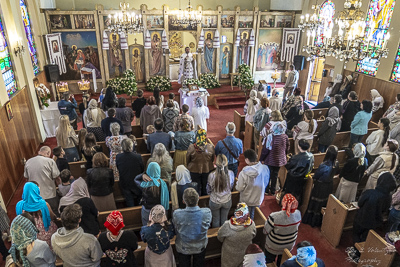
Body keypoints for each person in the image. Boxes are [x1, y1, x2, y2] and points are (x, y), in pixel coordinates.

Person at [348, 173, 397, 263]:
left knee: (356, 234)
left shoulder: (370, 192)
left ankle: (356, 252)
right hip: (375, 221)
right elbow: (385, 210)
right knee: (365, 238)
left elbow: (359, 204)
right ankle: (360, 254)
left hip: (361, 219)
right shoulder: (388, 197)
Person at [172, 188, 211, 267]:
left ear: (184, 201)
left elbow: (176, 228)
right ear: (198, 199)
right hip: (200, 245)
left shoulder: (177, 214)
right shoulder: (207, 212)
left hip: (184, 246)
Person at [303, 145, 338, 227]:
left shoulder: (324, 165)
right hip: (329, 185)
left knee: (315, 203)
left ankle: (311, 220)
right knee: (322, 203)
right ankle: (318, 221)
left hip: (320, 186)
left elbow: (317, 175)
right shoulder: (336, 163)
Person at [16, 182, 58, 249]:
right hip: (45, 235)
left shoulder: (19, 205)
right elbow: (52, 217)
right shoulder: (43, 204)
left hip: (29, 237)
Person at [264, 194, 301, 265]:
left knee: (269, 261)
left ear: (282, 202)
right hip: (289, 245)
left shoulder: (274, 216)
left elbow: (265, 230)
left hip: (274, 245)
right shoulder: (298, 214)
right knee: (282, 262)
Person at [23, 146, 60, 217]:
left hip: (35, 196)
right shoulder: (50, 161)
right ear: (48, 153)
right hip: (49, 194)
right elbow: (57, 177)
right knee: (54, 213)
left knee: (40, 216)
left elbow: (26, 179)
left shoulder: (28, 161)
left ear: (39, 152)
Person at [217, 203, 256, 267]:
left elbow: (220, 237)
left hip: (229, 253)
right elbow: (254, 235)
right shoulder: (252, 225)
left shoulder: (227, 225)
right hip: (244, 252)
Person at [236, 149, 270, 219]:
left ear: (247, 159)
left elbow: (239, 188)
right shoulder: (265, 168)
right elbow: (266, 183)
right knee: (254, 217)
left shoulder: (243, 173)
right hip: (258, 197)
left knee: (243, 218)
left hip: (246, 199)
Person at [260, 122, 289, 195]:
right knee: (275, 175)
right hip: (279, 160)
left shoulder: (270, 137)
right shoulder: (285, 136)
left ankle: (266, 190)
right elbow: (287, 147)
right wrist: (284, 155)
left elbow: (265, 150)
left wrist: (261, 159)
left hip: (270, 159)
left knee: (268, 175)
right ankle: (273, 191)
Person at [207, 154, 235, 228]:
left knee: (215, 220)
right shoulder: (231, 173)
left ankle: (216, 237)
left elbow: (208, 189)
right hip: (227, 200)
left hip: (215, 200)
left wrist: (211, 193)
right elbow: (231, 186)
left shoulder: (211, 175)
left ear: (216, 163)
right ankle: (223, 237)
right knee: (224, 220)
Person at [283, 140, 314, 205]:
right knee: (298, 193)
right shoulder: (311, 156)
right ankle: (296, 204)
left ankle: (287, 205)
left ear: (299, 146)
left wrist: (289, 160)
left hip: (293, 177)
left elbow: (288, 166)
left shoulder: (295, 157)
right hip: (302, 178)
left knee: (289, 192)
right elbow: (311, 167)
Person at [186, 128, 215, 196]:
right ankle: (204, 201)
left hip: (194, 169)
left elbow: (187, 159)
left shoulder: (191, 147)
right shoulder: (210, 147)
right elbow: (212, 159)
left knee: (196, 188)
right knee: (205, 187)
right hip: (207, 169)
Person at [116, 138, 144, 207]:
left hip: (125, 182)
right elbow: (142, 169)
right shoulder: (138, 157)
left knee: (129, 201)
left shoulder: (118, 157)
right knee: (139, 200)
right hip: (136, 182)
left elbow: (118, 168)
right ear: (131, 146)